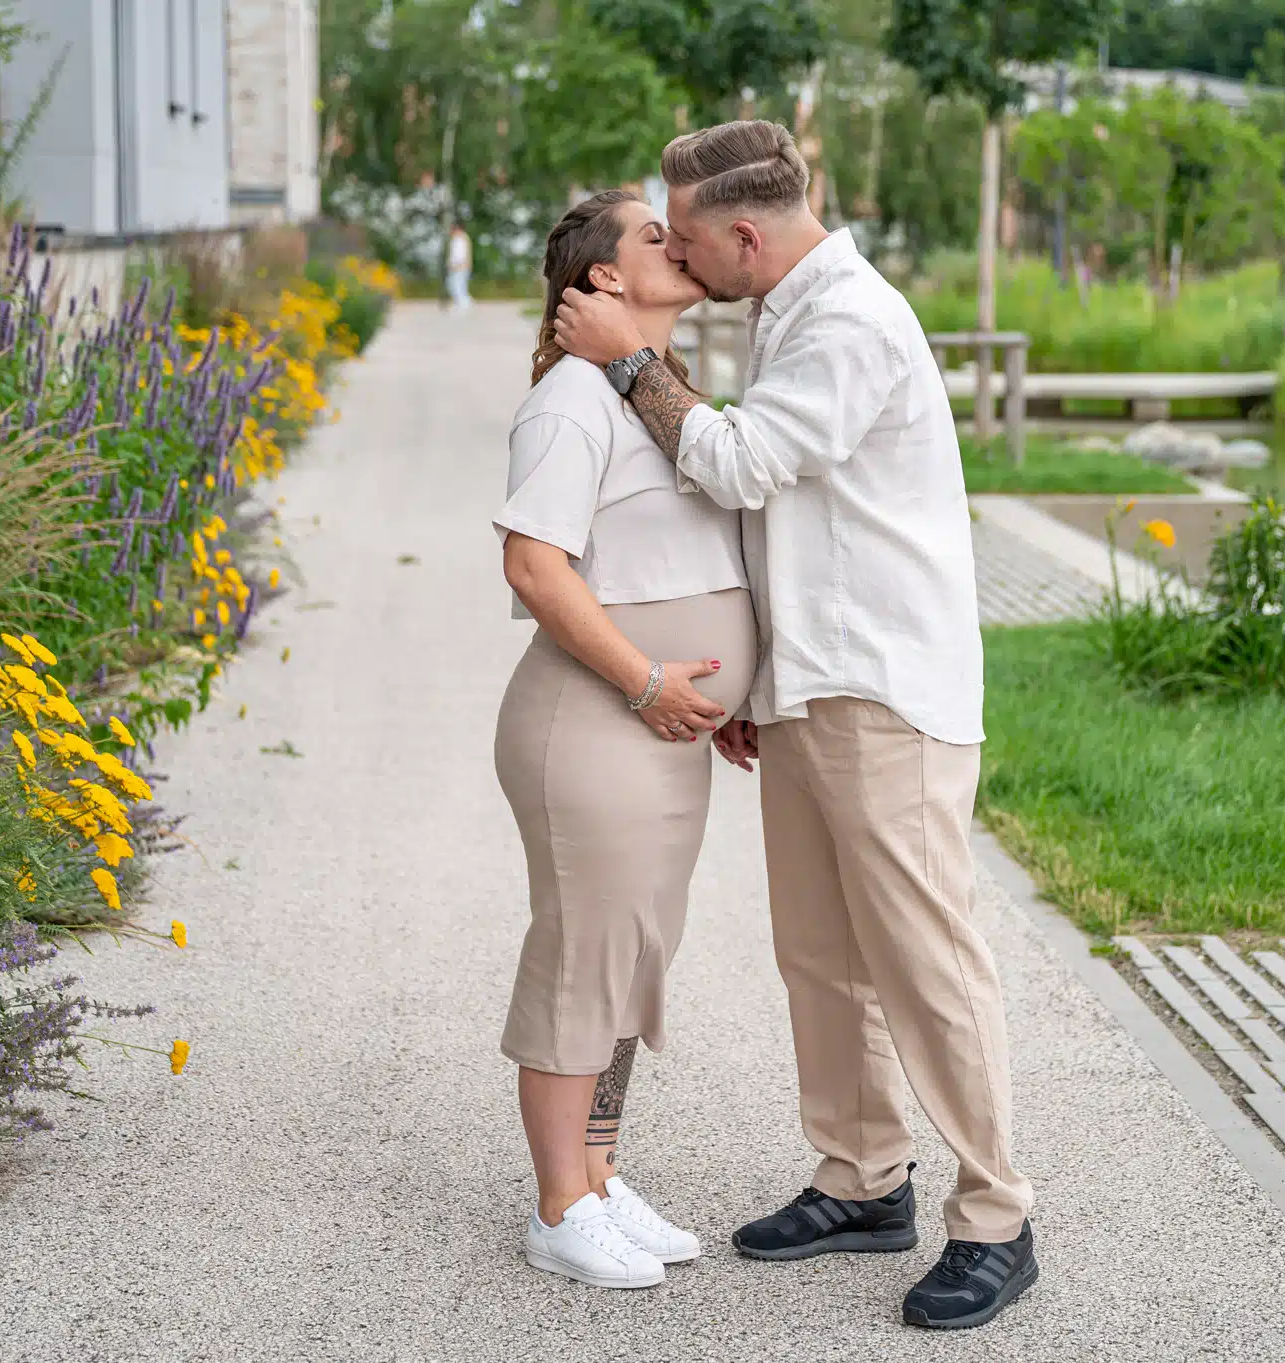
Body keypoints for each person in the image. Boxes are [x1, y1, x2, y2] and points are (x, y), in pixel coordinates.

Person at [552, 121, 1036, 1331]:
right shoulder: (784, 308)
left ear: (748, 235)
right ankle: (863, 1177)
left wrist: (625, 360)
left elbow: (738, 462)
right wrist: (760, 682)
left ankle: (996, 1215)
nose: (681, 255)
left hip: (884, 694)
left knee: (926, 964)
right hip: (812, 688)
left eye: (691, 239)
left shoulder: (853, 322)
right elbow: (793, 522)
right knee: (818, 956)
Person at [492, 189, 757, 1291]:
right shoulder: (569, 401)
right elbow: (533, 565)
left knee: (635, 954)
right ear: (601, 279)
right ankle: (558, 1206)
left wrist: (720, 689)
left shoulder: (652, 393)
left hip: (664, 733)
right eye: (654, 234)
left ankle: (598, 1175)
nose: (677, 243)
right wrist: (650, 677)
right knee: (581, 956)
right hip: (595, 722)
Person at [445, 223, 473, 311]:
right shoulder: (458, 239)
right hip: (458, 266)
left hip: (460, 267)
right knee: (455, 285)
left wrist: (455, 265)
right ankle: (463, 303)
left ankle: (463, 304)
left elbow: (460, 255)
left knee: (457, 286)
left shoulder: (460, 239)